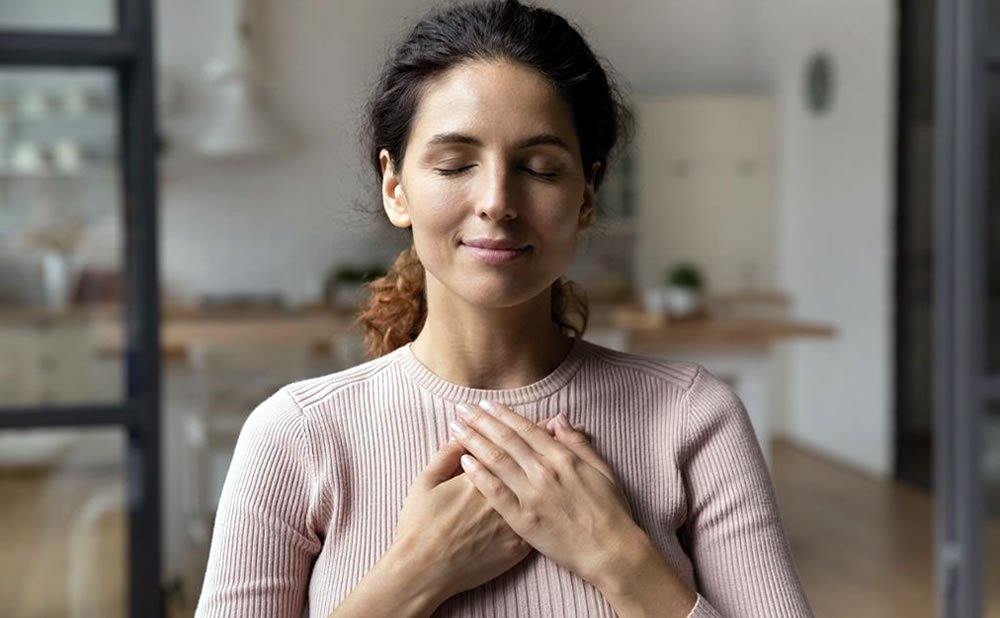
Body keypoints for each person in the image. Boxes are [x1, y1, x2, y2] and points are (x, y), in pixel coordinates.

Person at [195, 1, 814, 616]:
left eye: (540, 168)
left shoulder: (694, 418)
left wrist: (617, 557)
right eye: (455, 164)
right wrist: (418, 572)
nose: (496, 200)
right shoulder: (295, 436)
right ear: (395, 187)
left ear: (586, 196)